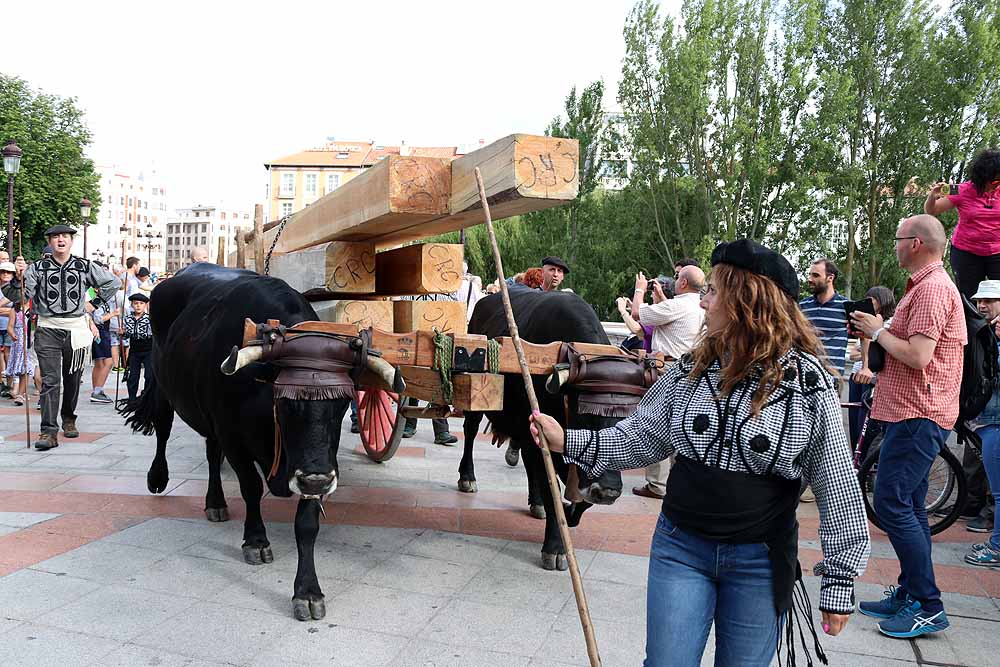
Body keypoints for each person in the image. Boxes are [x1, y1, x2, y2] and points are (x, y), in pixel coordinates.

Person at [530, 238, 870, 667]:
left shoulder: (808, 383)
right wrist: (568, 441)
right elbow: (640, 436)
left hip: (760, 560)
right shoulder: (693, 368)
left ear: (748, 299)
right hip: (681, 549)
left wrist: (840, 581)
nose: (704, 303)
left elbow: (836, 482)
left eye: (713, 291)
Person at [850, 214, 964, 638]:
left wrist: (879, 331)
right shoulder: (926, 286)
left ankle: (928, 605)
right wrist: (875, 331)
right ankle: (911, 592)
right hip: (911, 412)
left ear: (915, 243)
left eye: (897, 239)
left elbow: (918, 356)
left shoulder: (933, 289)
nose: (893, 246)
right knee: (910, 508)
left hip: (919, 414)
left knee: (892, 503)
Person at [2, 224, 119, 450]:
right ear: (50, 242)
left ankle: (69, 417)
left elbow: (112, 283)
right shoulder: (37, 268)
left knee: (73, 378)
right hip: (47, 329)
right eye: (55, 237)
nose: (60, 240)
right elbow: (19, 297)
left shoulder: (84, 266)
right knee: (50, 380)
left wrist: (94, 304)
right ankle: (48, 431)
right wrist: (18, 278)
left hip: (75, 329)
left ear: (71, 241)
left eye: (64, 236)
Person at [925, 148, 1000, 300]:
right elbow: (931, 210)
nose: (997, 185)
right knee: (967, 298)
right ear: (982, 178)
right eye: (995, 181)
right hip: (966, 253)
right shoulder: (961, 189)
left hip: (997, 253)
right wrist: (932, 197)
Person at [961, 280, 1000, 565]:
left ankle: (997, 547)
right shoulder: (987, 335)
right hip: (987, 423)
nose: (982, 306)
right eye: (979, 301)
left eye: (990, 301)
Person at [847, 286, 896, 447]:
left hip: (873, 378)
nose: (868, 302)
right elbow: (854, 352)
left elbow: (869, 344)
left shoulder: (889, 323)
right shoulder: (867, 323)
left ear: (883, 300)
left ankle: (864, 461)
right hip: (856, 374)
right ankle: (856, 457)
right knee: (854, 419)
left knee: (866, 423)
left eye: (872, 299)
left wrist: (865, 362)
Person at [799, 258, 849, 380]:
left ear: (830, 278)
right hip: (805, 378)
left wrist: (866, 367)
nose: (810, 279)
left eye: (815, 275)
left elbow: (864, 336)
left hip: (832, 378)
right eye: (809, 275)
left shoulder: (846, 306)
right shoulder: (802, 306)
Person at [122, 292, 154, 405]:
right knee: (133, 376)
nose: (138, 306)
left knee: (149, 375)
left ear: (145, 305)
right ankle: (132, 398)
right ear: (132, 305)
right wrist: (123, 333)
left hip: (149, 350)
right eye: (136, 303)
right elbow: (126, 335)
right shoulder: (127, 318)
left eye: (141, 303)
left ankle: (146, 396)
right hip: (134, 350)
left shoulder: (150, 319)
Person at [89, 287, 117, 404]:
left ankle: (97, 390)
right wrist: (113, 314)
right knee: (108, 362)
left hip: (103, 331)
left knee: (99, 363)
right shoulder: (97, 301)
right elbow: (98, 319)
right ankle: (97, 391)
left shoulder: (104, 301)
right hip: (100, 331)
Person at [0, 258, 13, 398]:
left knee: (9, 355)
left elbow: (19, 310)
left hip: (11, 327)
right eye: (3, 271)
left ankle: (10, 385)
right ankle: (2, 384)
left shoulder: (15, 289)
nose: (5, 274)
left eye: (9, 272)